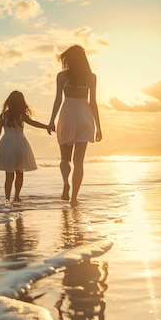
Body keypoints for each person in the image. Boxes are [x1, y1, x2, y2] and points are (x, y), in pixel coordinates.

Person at [47, 45, 102, 207]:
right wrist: (99, 127)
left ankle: (66, 184)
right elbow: (93, 103)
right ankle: (74, 198)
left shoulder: (62, 76)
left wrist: (51, 120)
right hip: (84, 116)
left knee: (65, 158)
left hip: (68, 115)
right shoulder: (91, 77)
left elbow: (58, 99)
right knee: (79, 162)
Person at [0, 91, 49, 205]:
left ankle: (7, 199)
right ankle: (16, 196)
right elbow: (34, 123)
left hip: (6, 144)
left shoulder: (3, 116)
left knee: (9, 174)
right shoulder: (22, 115)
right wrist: (47, 126)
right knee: (19, 172)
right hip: (19, 143)